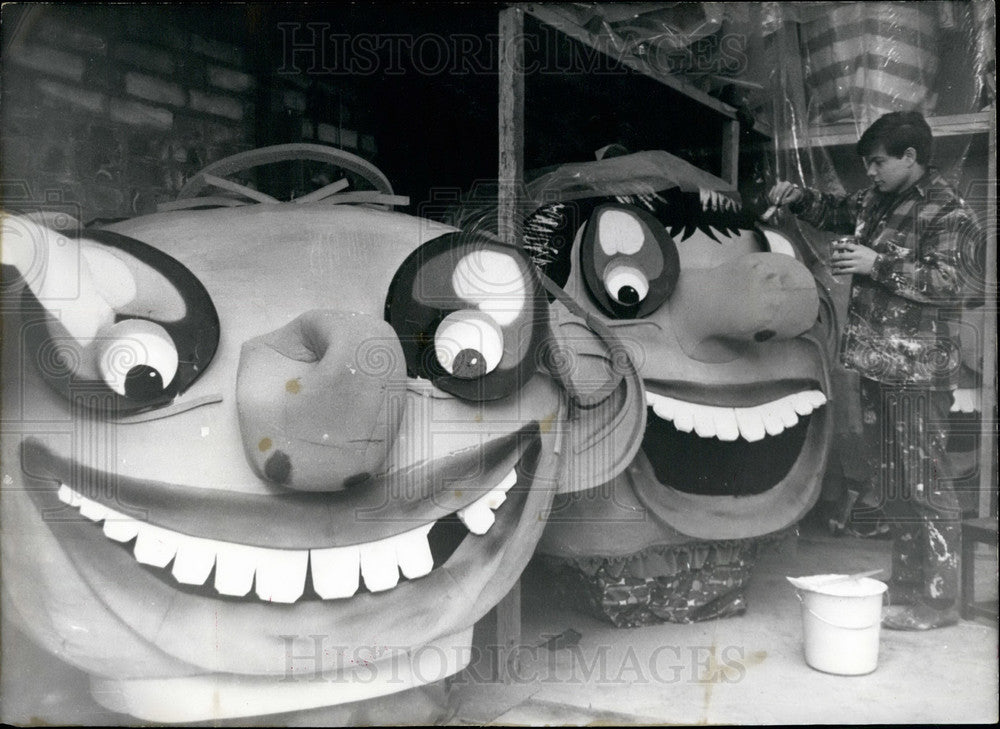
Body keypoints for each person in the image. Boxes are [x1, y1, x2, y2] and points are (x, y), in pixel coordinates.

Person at [768, 111, 982, 630]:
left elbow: (957, 283)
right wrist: (798, 198)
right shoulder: (876, 200)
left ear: (910, 157)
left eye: (878, 162)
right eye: (867, 163)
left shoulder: (950, 212)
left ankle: (940, 602)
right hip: (877, 364)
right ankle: (907, 586)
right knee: (893, 482)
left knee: (925, 483)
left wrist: (875, 264)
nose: (870, 172)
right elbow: (835, 209)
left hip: (918, 371)